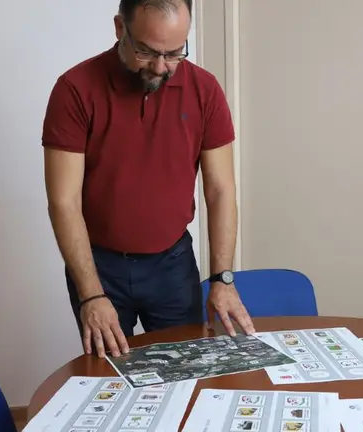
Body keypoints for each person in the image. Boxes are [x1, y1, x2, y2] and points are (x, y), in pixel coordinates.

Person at [41, 0, 255, 358]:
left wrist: (222, 279)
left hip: (172, 265)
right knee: (109, 377)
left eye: (174, 53)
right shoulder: (75, 89)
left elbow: (219, 190)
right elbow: (63, 201)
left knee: (186, 372)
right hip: (99, 267)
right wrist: (92, 294)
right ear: (120, 28)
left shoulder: (205, 90)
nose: (161, 67)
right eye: (147, 52)